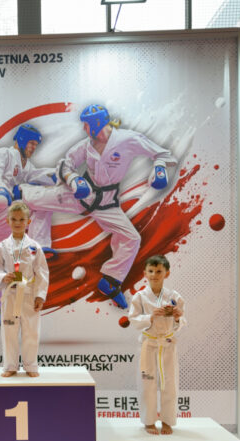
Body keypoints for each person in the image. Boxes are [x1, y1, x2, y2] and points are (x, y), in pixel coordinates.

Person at [17, 104, 176, 309]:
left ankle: (110, 281)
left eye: (86, 125)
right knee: (34, 199)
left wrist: (159, 168)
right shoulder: (86, 145)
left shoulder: (127, 139)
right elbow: (65, 164)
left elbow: (162, 154)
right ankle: (16, 192)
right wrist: (73, 179)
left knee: (132, 238)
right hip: (81, 195)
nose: (84, 129)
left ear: (97, 123)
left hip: (106, 203)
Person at [0, 124, 55, 325]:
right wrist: (0, 190)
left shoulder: (27, 166)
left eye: (36, 144)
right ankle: (38, 246)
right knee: (42, 200)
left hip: (14, 212)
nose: (33, 147)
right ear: (21, 140)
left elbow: (37, 175)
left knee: (12, 263)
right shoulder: (3, 154)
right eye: (31, 143)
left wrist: (58, 175)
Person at [0, 201, 49, 377]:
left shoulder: (34, 247)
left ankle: (31, 366)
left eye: (22, 219)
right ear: (7, 221)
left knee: (31, 330)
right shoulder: (3, 246)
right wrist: (3, 276)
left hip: (29, 294)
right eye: (14, 219)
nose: (17, 223)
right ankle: (10, 366)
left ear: (28, 222)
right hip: (10, 294)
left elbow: (42, 271)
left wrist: (40, 295)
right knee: (9, 330)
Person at [128, 255, 185, 435]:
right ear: (145, 273)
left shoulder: (174, 296)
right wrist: (151, 317)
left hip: (167, 344)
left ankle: (168, 421)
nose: (154, 275)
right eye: (151, 271)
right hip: (149, 344)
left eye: (159, 271)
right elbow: (133, 319)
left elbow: (182, 321)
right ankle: (149, 421)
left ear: (166, 273)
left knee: (170, 383)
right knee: (148, 383)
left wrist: (177, 317)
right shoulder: (140, 296)